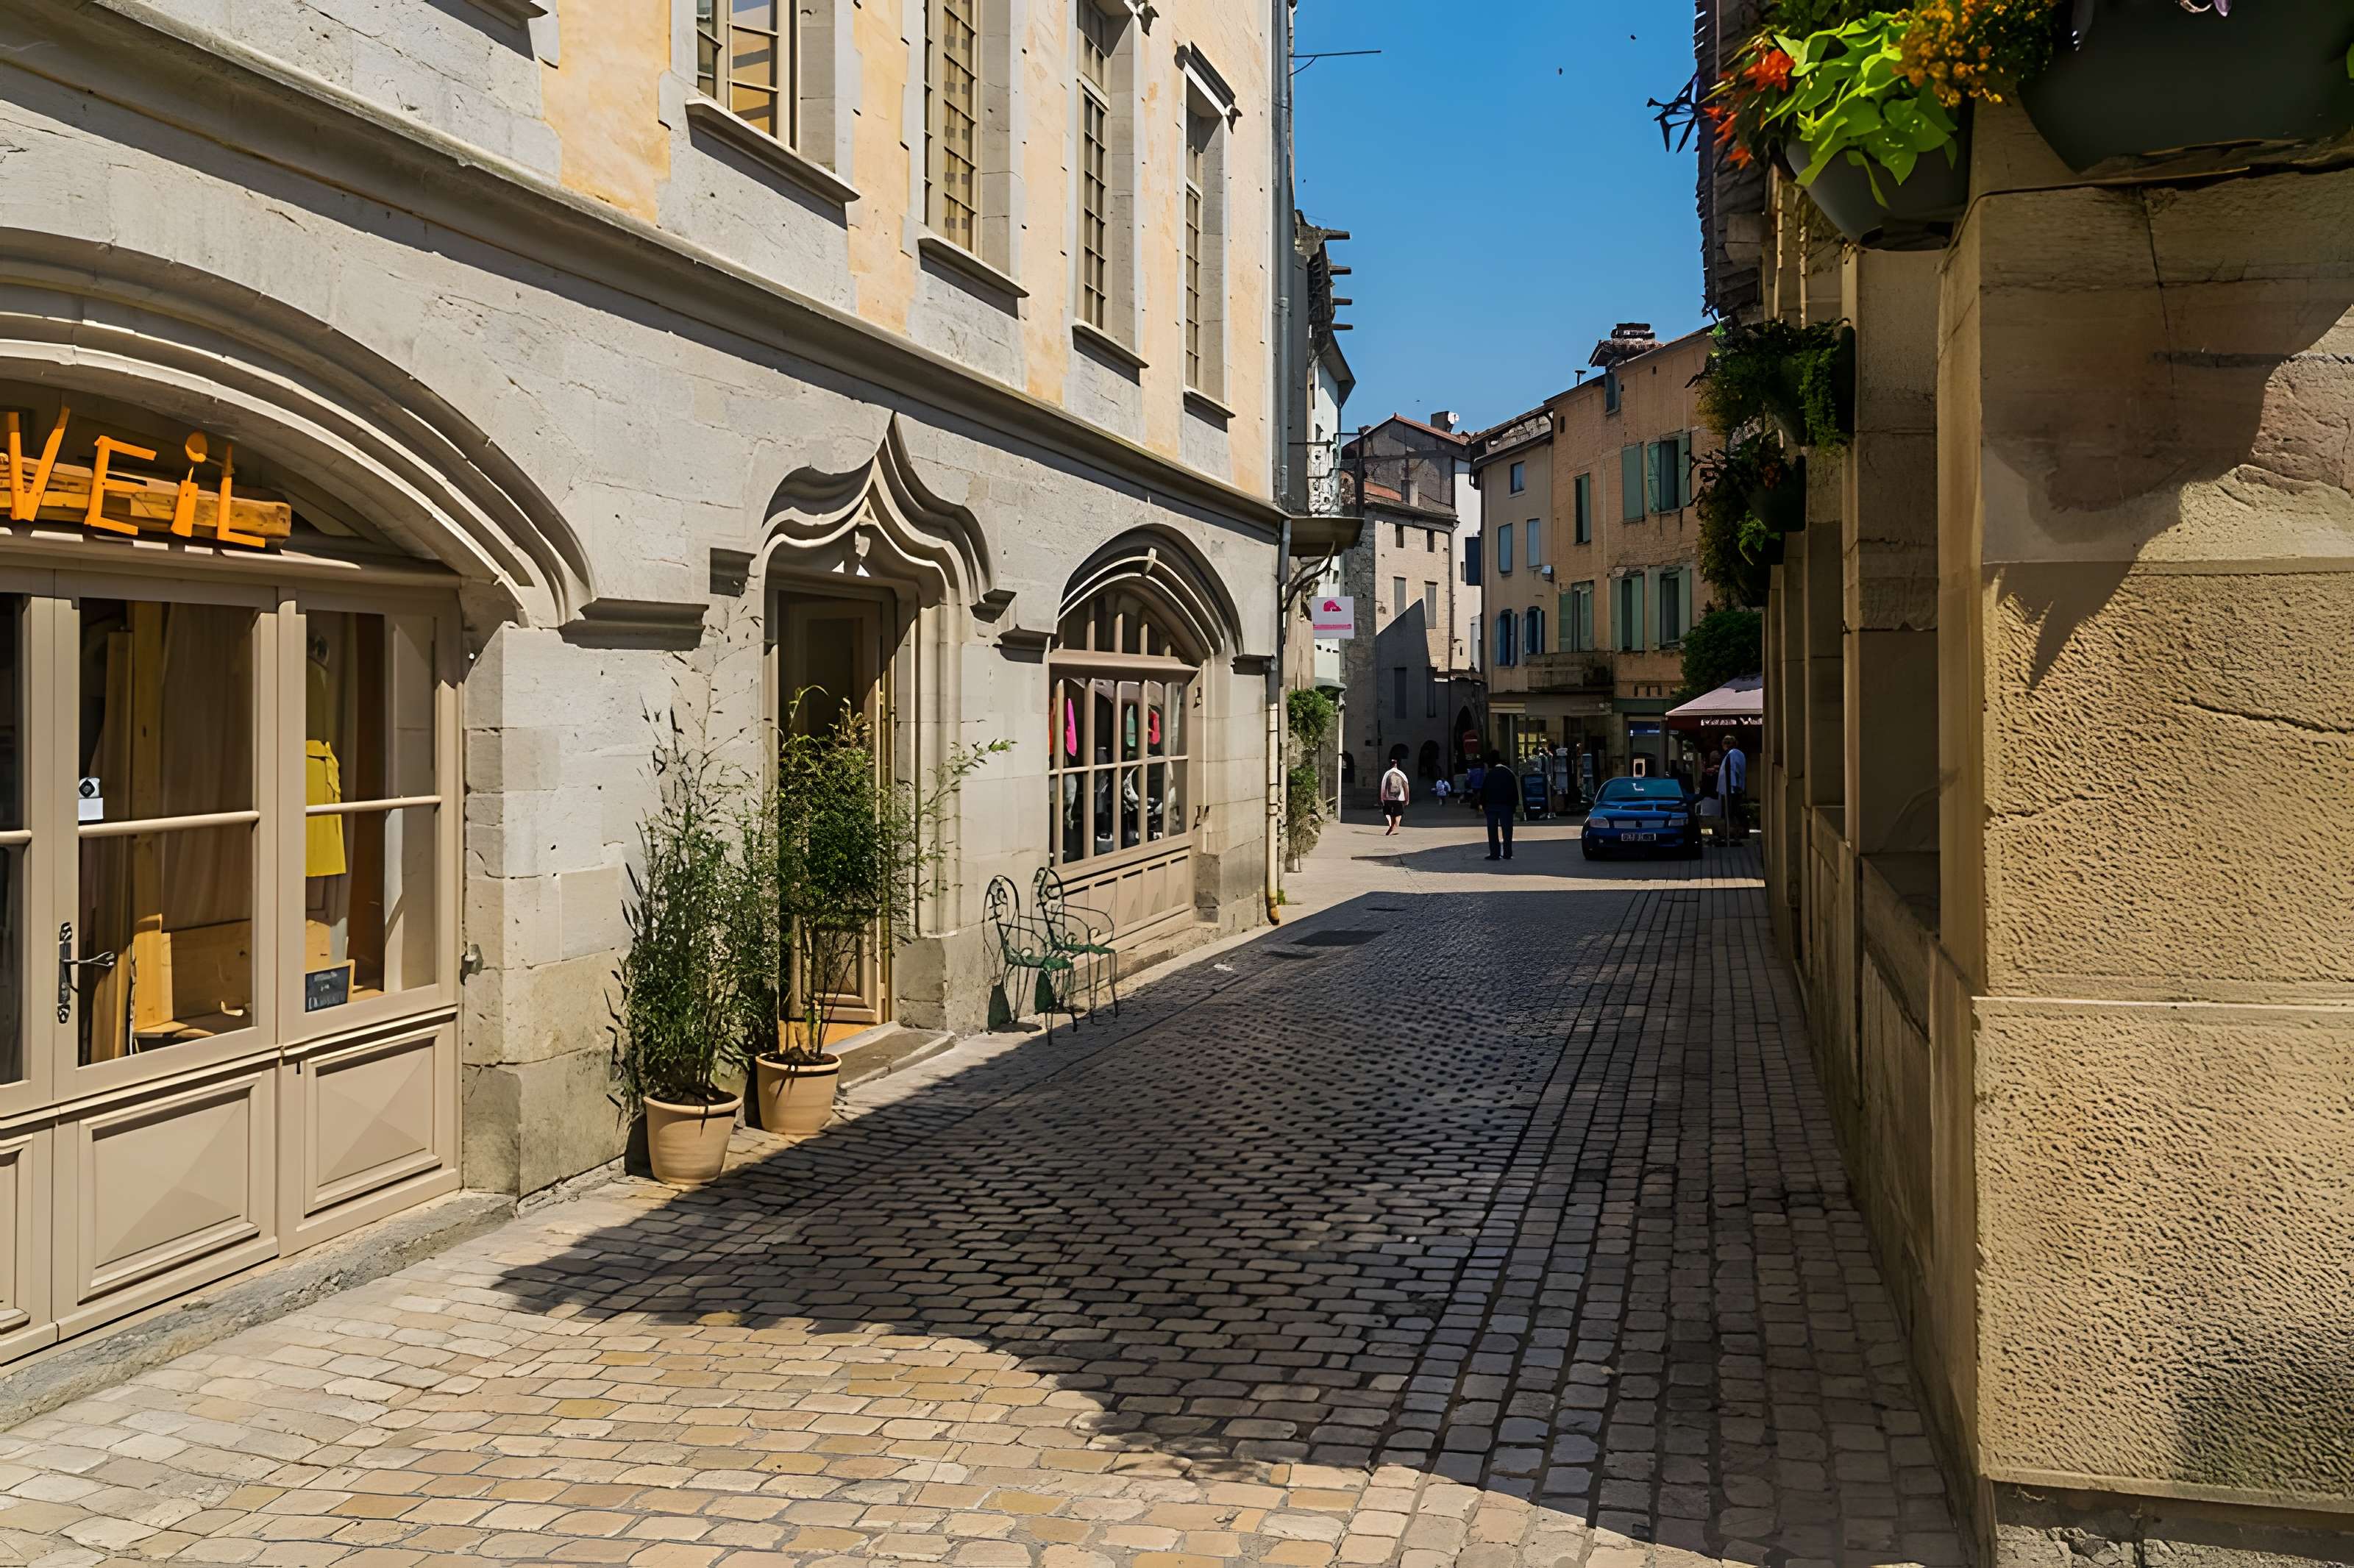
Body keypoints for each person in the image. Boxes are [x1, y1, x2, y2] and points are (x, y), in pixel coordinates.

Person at [1480, 749, 1520, 861]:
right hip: (1506, 807)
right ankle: (1507, 853)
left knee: (1492, 830)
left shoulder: (1490, 775)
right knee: (1507, 830)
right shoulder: (1509, 774)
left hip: (1491, 806)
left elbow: (1484, 791)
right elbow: (1514, 792)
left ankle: (1494, 854)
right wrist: (1514, 806)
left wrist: (1483, 805)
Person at [1718, 738, 1748, 844]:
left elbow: (1732, 770)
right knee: (1734, 812)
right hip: (1736, 787)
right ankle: (1734, 835)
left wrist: (1732, 786)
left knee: (1730, 812)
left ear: (1724, 744)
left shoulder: (1731, 754)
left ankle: (1731, 835)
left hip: (1730, 788)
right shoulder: (1739, 753)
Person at [1379, 755, 1410, 835]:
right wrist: (1407, 799)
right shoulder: (1402, 774)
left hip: (1388, 798)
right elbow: (1406, 786)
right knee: (1398, 814)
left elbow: (1383, 786)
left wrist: (1382, 798)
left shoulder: (1387, 773)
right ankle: (1394, 826)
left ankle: (1391, 824)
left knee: (1388, 812)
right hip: (1399, 798)